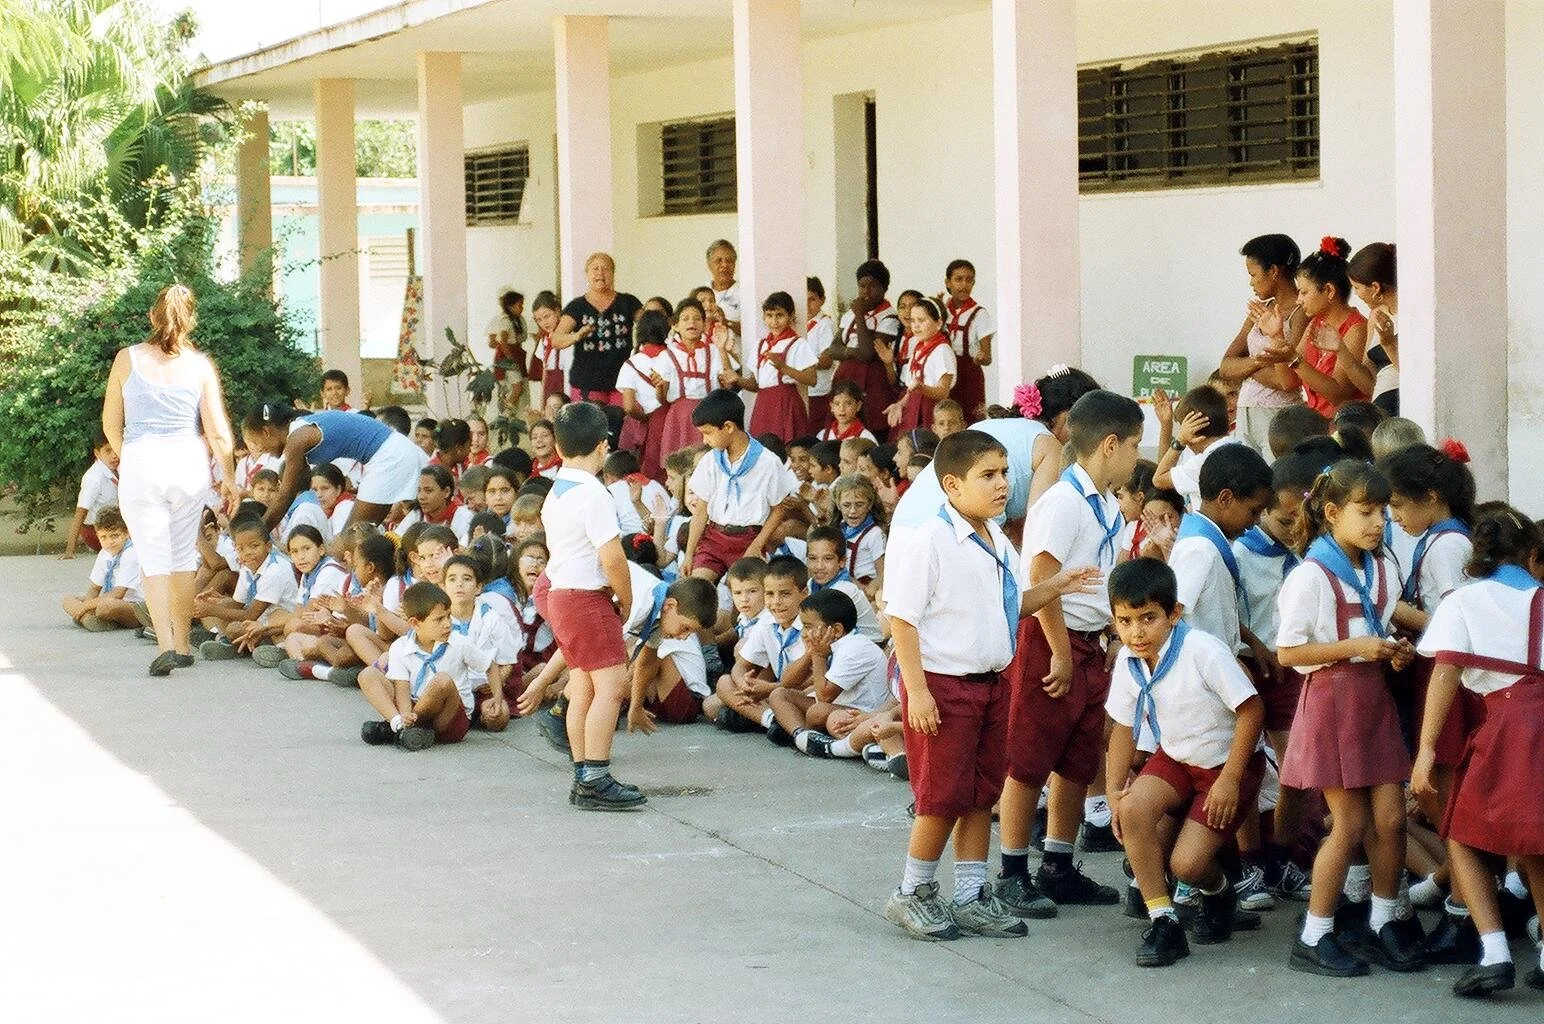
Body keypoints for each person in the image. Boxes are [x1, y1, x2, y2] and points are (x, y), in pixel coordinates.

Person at [881, 429, 1099, 941]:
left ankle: (970, 895)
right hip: (943, 687)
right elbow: (903, 620)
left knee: (981, 794)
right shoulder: (927, 539)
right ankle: (911, 892)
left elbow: (1008, 607)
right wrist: (919, 692)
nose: (1003, 485)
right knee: (941, 797)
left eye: (1005, 473)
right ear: (952, 485)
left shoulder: (996, 537)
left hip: (990, 684)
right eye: (989, 476)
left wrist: (1056, 587)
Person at [996, 391, 1143, 917]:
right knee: (1028, 761)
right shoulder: (1062, 500)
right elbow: (1041, 578)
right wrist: (1059, 651)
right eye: (1134, 445)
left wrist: (1108, 636)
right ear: (1110, 444)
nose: (1135, 456)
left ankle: (1058, 863)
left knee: (1077, 760)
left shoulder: (1105, 504)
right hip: (1051, 640)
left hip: (1090, 644)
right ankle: (1012, 871)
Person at [1277, 460, 1421, 977]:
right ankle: (1315, 933)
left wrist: (1392, 651)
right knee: (1351, 822)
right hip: (1333, 702)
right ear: (1333, 513)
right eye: (1366, 511)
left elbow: (1377, 628)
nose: (1378, 522)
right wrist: (1356, 647)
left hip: (1372, 699)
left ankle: (1383, 919)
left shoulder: (1381, 567)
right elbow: (1289, 653)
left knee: (1391, 818)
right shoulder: (1312, 575)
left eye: (1383, 511)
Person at [1104, 558, 1265, 966]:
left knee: (1187, 865)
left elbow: (1251, 709)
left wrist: (1230, 779)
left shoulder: (1201, 650)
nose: (1136, 632)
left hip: (1227, 765)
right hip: (1176, 757)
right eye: (1125, 621)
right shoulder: (1129, 660)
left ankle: (1219, 891)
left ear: (1174, 614)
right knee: (1133, 807)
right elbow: (1123, 727)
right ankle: (1165, 921)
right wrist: (1113, 792)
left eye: (1148, 618)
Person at [1412, 502, 1544, 998]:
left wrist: (1426, 750)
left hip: (1506, 720)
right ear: (1530, 555)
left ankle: (1494, 952)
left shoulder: (1464, 601)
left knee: (1463, 835)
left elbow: (1444, 674)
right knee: (1536, 842)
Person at [101, 284, 239, 676]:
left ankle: (164, 645)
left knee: (153, 559)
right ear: (191, 319)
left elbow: (112, 423)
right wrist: (228, 477)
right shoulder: (200, 365)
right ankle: (182, 644)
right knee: (181, 558)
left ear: (151, 317)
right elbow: (218, 432)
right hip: (188, 463)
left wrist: (132, 460)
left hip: (143, 460)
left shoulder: (127, 359)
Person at [534, 402, 650, 810]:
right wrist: (626, 598)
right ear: (603, 447)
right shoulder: (594, 494)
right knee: (611, 688)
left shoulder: (557, 489)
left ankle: (583, 772)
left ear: (560, 448)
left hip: (562, 596)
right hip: (586, 598)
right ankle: (596, 777)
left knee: (582, 684)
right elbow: (613, 557)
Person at [1232, 452, 1319, 901]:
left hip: (1290, 671)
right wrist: (1252, 650)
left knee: (1296, 768)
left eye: (1299, 522)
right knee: (1245, 766)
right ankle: (1249, 862)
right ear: (1262, 509)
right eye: (1284, 521)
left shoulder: (1309, 555)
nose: (1292, 531)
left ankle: (1283, 857)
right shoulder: (1239, 554)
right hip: (1250, 667)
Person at [1383, 443, 1476, 864]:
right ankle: (1457, 878)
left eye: (1399, 505)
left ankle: (1466, 880)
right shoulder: (1437, 540)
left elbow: (1455, 626)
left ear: (1433, 497)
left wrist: (1395, 610)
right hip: (1431, 667)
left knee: (1442, 782)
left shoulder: (1448, 546)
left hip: (1447, 674)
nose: (1394, 517)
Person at [242, 405, 428, 535]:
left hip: (389, 457)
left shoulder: (297, 439)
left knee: (349, 539)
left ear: (267, 432)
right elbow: (301, 481)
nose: (260, 450)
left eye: (257, 443)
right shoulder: (300, 427)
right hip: (394, 453)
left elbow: (285, 495)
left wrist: (256, 532)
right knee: (362, 536)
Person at [356, 581, 492, 751]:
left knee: (442, 680)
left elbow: (489, 665)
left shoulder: (458, 642)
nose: (447, 624)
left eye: (448, 616)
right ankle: (399, 725)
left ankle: (398, 731)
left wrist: (498, 698)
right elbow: (402, 687)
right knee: (368, 674)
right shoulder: (400, 646)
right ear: (415, 623)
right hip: (415, 707)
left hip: (448, 718)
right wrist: (404, 715)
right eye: (439, 619)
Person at [683, 390, 799, 583]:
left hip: (748, 538)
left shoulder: (767, 462)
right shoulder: (711, 460)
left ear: (728, 427)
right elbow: (701, 510)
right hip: (714, 537)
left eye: (708, 433)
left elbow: (779, 510)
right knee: (697, 588)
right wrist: (689, 554)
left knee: (743, 599)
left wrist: (757, 545)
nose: (704, 440)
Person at [770, 588, 890, 758]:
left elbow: (825, 696)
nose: (804, 633)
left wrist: (818, 655)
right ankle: (802, 736)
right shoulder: (829, 644)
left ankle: (814, 739)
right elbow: (787, 682)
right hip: (838, 705)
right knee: (779, 695)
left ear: (837, 630)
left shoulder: (855, 648)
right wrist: (810, 653)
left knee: (817, 711)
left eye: (808, 626)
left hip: (864, 712)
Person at [1218, 234, 1305, 452]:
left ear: (1273, 271)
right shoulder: (1260, 309)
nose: (1251, 282)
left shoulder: (1301, 312)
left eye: (1253, 274)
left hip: (1278, 413)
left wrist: (1244, 368)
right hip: (1245, 408)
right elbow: (1225, 367)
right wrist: (1260, 362)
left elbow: (1285, 379)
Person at [711, 556, 810, 735]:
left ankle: (767, 719)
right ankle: (771, 720)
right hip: (777, 693)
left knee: (777, 697)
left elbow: (817, 679)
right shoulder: (766, 622)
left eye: (785, 594)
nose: (776, 602)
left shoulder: (811, 624)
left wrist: (771, 688)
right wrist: (744, 684)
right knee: (724, 683)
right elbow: (741, 666)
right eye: (770, 594)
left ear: (804, 593)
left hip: (801, 694)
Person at [1283, 237, 1372, 418]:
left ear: (1329, 291)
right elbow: (1288, 381)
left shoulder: (1356, 329)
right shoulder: (1315, 324)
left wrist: (1295, 360)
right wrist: (1276, 336)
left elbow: (1339, 394)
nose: (1299, 300)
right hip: (1317, 426)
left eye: (1304, 292)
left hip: (1346, 428)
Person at [551, 252, 644, 405]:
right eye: (595, 268)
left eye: (606, 269)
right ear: (587, 274)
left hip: (622, 383)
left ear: (613, 274)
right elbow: (556, 339)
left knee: (621, 427)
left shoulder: (628, 302)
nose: (600, 273)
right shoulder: (577, 306)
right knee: (589, 427)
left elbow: (649, 325)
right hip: (587, 383)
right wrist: (576, 336)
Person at [829, 260, 900, 435]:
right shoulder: (848, 315)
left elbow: (868, 354)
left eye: (873, 286)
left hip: (874, 384)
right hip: (847, 378)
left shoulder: (889, 317)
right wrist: (853, 352)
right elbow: (833, 349)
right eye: (862, 286)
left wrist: (860, 315)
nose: (866, 292)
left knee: (872, 430)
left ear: (884, 288)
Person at [735, 291, 815, 442]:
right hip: (764, 403)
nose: (774, 321)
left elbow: (812, 379)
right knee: (763, 446)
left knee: (787, 446)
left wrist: (783, 367)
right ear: (764, 317)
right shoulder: (760, 345)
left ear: (791, 316)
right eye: (769, 316)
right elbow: (755, 384)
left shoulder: (798, 344)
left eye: (780, 315)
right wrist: (737, 379)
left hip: (786, 402)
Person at [1153, 384, 1241, 512]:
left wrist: (1180, 440)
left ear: (1194, 430)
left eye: (1183, 430)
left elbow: (1158, 479)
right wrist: (1167, 425)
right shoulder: (1238, 446)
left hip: (1210, 529)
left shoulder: (1205, 462)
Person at [616, 309, 676, 481]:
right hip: (674, 419)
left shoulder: (632, 364)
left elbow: (628, 406)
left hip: (649, 424)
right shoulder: (675, 357)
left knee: (650, 472)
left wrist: (643, 419)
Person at [882, 298, 955, 438]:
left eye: (921, 321)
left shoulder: (942, 350)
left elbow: (943, 392)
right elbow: (911, 388)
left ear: (938, 323)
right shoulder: (918, 349)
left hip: (931, 413)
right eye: (913, 321)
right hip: (913, 410)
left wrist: (921, 388)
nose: (916, 326)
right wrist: (900, 404)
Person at [62, 506, 141, 631]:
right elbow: (95, 588)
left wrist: (85, 607)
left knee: (107, 606)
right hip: (109, 599)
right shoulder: (105, 553)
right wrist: (87, 608)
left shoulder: (131, 553)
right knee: (68, 599)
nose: (109, 542)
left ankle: (90, 619)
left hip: (133, 606)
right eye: (103, 537)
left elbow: (118, 594)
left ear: (127, 533)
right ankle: (89, 619)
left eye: (114, 536)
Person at [940, 259, 995, 422]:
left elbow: (987, 357)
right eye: (958, 279)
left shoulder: (980, 314)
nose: (964, 284)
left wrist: (981, 357)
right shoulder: (942, 309)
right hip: (946, 374)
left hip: (969, 376)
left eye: (969, 280)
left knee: (971, 421)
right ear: (948, 282)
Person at [1348, 243, 1399, 416]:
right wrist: (1341, 350)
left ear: (1376, 287)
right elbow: (1369, 383)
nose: (1356, 294)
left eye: (1357, 288)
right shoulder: (1375, 315)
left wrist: (1389, 344)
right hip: (1379, 410)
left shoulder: (1414, 316)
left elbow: (1419, 375)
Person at [397, 466, 473, 547]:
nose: (421, 497)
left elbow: (464, 551)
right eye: (419, 490)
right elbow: (396, 540)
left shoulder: (463, 516)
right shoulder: (417, 514)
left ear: (446, 492)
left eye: (429, 490)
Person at [805, 277, 837, 429]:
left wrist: (803, 362)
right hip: (804, 390)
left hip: (819, 391)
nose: (807, 305)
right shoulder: (800, 324)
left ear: (822, 300)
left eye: (812, 299)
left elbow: (827, 360)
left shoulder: (824, 324)